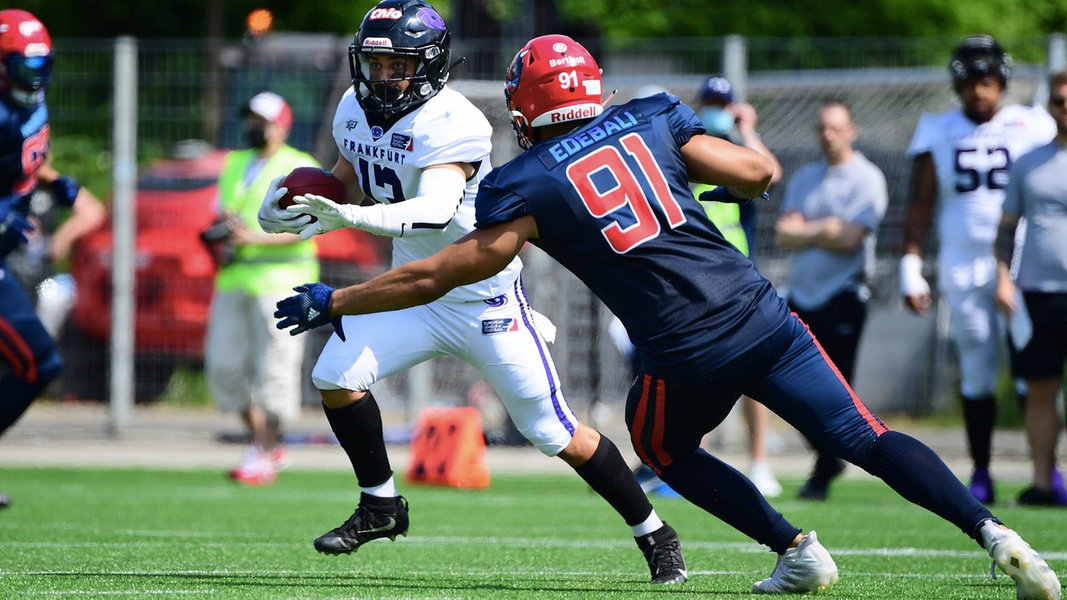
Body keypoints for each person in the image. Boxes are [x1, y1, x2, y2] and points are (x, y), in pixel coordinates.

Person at [275, 33, 1061, 598]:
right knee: (865, 436)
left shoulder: (526, 185)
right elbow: (758, 173)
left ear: (526, 108)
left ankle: (794, 550)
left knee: (658, 443)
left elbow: (444, 270)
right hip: (761, 313)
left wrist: (334, 298)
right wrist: (682, 182)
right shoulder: (651, 116)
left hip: (683, 347)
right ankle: (995, 536)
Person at [256, 1, 686, 585]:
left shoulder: (451, 120)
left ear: (429, 65)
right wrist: (298, 202)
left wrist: (347, 218)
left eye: (398, 65)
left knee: (554, 433)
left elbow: (434, 212)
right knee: (335, 376)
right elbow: (349, 179)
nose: (383, 78)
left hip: (483, 300)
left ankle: (655, 534)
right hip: (412, 292)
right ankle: (381, 505)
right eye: (375, 65)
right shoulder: (355, 108)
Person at [900, 34, 1058, 505]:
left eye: (987, 82)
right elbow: (920, 202)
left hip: (1023, 263)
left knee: (1036, 372)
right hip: (963, 265)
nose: (980, 92)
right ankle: (982, 470)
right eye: (971, 83)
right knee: (976, 369)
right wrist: (911, 264)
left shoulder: (1032, 124)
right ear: (957, 85)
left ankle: (1044, 472)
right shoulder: (938, 128)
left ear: (1003, 83)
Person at [0, 9, 102, 508]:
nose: (34, 78)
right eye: (23, 66)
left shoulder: (29, 106)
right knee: (35, 361)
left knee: (38, 363)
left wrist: (56, 181)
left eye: (42, 65)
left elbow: (23, 157)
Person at [204, 91, 319, 486]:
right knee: (225, 367)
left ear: (283, 124)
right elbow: (224, 214)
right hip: (235, 277)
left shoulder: (300, 166)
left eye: (263, 120)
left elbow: (310, 227)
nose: (255, 126)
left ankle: (265, 450)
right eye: (251, 119)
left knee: (276, 369)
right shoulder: (234, 162)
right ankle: (263, 442)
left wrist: (253, 239)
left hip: (282, 279)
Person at [775, 101, 888, 501]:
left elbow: (850, 240)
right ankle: (829, 459)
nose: (828, 134)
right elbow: (784, 234)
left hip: (842, 295)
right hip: (803, 296)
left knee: (835, 391)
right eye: (822, 127)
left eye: (836, 127)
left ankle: (823, 470)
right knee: (791, 391)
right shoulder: (806, 177)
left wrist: (809, 230)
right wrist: (826, 228)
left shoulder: (867, 178)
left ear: (851, 130)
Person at [694, 75, 783, 498]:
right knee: (693, 369)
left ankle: (759, 460)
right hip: (693, 273)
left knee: (753, 371)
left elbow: (771, 172)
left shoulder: (738, 147)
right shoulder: (689, 142)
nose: (715, 109)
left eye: (721, 103)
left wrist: (747, 130)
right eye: (708, 101)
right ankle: (693, 458)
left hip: (738, 273)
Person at [993, 68, 1067, 507]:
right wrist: (1003, 277)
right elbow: (1005, 229)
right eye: (1059, 99)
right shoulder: (1029, 162)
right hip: (1038, 293)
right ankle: (1043, 483)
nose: (1065, 106)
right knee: (1039, 390)